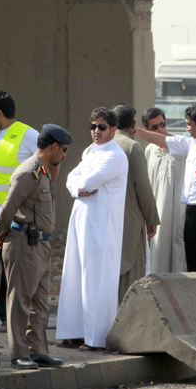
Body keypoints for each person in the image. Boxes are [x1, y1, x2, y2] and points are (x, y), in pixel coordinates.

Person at [0, 125, 71, 370]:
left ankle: (37, 351)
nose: (65, 155)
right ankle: (18, 353)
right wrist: (1, 233)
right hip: (24, 243)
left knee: (39, 302)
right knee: (20, 301)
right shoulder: (28, 172)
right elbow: (8, 206)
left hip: (40, 245)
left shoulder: (43, 170)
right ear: (53, 147)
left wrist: (54, 163)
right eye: (64, 150)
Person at [55, 108, 129, 351]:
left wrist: (79, 185)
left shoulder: (116, 155)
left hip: (101, 225)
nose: (96, 131)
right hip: (81, 219)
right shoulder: (91, 152)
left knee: (96, 279)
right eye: (93, 126)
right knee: (74, 274)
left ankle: (95, 339)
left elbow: (87, 181)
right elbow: (71, 179)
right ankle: (73, 332)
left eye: (102, 127)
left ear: (113, 130)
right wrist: (78, 189)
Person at [134, 103, 196, 285]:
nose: (187, 128)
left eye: (189, 124)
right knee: (193, 268)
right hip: (191, 214)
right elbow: (162, 140)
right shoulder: (192, 144)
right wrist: (135, 131)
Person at [0, 90, 40, 331]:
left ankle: (7, 321)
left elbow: (43, 166)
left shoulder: (27, 135)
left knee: (11, 275)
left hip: (14, 219)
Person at [111, 104, 160, 303]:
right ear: (133, 125)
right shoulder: (132, 147)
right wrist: (151, 219)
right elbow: (143, 187)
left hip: (103, 220)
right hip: (129, 219)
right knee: (131, 273)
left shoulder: (98, 146)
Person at [142, 107, 187, 274]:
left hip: (177, 212)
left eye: (162, 124)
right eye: (154, 128)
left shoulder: (180, 146)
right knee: (156, 251)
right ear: (146, 130)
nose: (160, 130)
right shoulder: (149, 150)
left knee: (176, 251)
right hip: (156, 214)